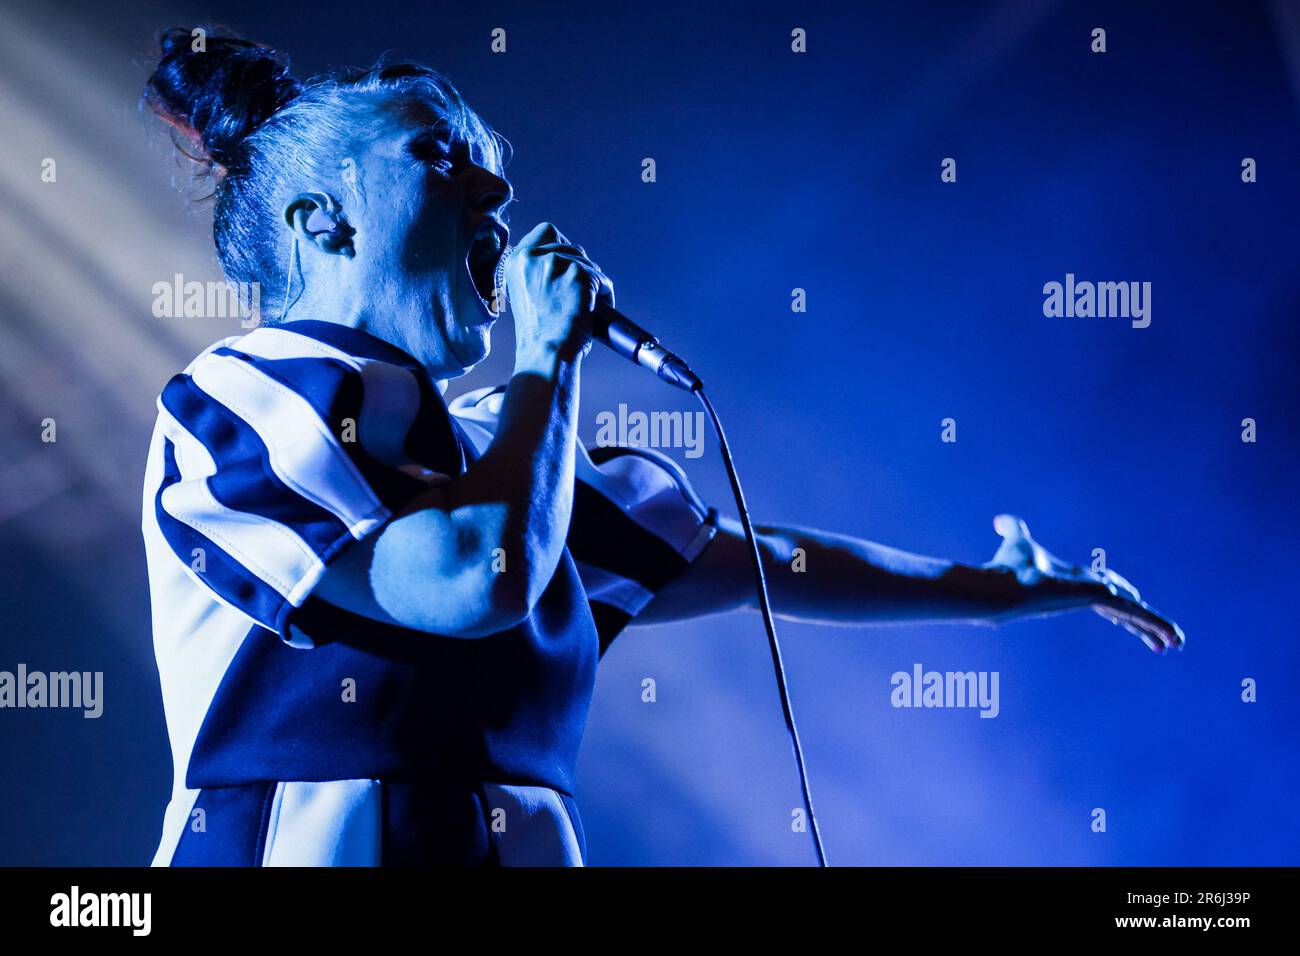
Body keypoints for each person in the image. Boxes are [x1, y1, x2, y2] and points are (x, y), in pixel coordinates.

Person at [140, 28, 1184, 866]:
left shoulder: (514, 453)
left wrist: (992, 589)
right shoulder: (249, 392)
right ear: (322, 221)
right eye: (442, 157)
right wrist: (549, 356)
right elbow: (470, 575)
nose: (496, 195)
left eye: (494, 172)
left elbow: (771, 564)